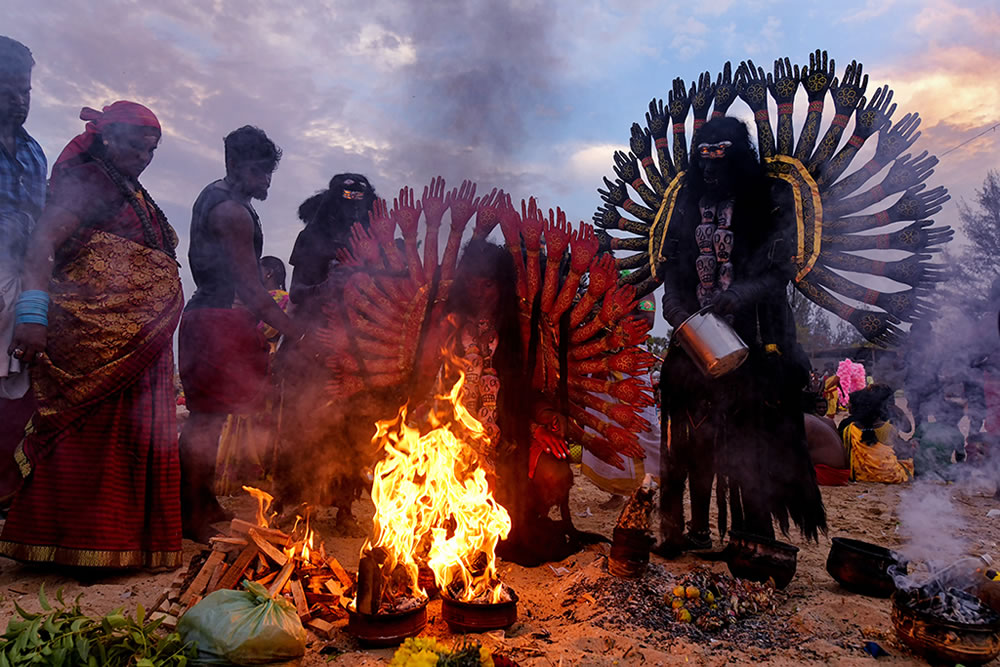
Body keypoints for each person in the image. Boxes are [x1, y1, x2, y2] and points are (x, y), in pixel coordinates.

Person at [0, 101, 183, 569]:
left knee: (131, 438)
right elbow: (43, 243)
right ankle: (70, 547)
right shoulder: (87, 181)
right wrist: (33, 313)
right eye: (139, 146)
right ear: (107, 137)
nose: (146, 157)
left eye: (154, 149)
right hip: (90, 337)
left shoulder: (128, 187)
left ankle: (119, 545)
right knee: (90, 438)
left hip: (136, 342)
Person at [657, 117, 825, 553]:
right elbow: (673, 268)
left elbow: (781, 272)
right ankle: (680, 532)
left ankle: (752, 535)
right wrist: (676, 309)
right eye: (703, 157)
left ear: (738, 156)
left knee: (752, 440)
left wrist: (739, 296)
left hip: (755, 342)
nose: (711, 169)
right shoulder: (685, 201)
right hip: (693, 339)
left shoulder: (768, 198)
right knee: (685, 437)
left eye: (720, 156)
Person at [416, 239, 590, 566]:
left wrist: (545, 419)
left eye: (488, 284)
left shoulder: (521, 328)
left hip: (510, 438)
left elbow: (532, 394)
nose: (479, 293)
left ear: (502, 286)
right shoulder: (445, 322)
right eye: (472, 283)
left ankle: (519, 519)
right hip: (450, 438)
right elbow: (424, 383)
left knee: (557, 473)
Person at [178, 126, 301, 543]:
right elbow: (250, 288)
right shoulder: (230, 211)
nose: (266, 180)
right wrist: (293, 330)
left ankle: (203, 500)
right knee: (206, 422)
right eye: (259, 171)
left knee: (211, 418)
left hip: (213, 319)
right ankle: (191, 512)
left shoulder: (222, 198)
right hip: (215, 320)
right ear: (235, 164)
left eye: (269, 172)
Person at [273, 174, 378, 534]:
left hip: (357, 350)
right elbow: (298, 292)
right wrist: (325, 287)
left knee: (352, 429)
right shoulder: (312, 239)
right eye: (346, 198)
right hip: (312, 345)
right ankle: (291, 501)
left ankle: (344, 510)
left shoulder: (376, 245)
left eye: (360, 200)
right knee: (301, 425)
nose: (353, 206)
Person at [0, 36, 46, 508]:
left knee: (15, 392)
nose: (19, 100)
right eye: (8, 90)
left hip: (19, 277)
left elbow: (42, 226)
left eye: (26, 91)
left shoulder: (33, 153)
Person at [214, 256, 289, 496]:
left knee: (258, 419)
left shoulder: (281, 298)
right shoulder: (258, 300)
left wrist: (244, 322)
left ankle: (253, 477)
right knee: (242, 417)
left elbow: (269, 329)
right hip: (249, 360)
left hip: (266, 360)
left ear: (270, 273)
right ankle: (240, 475)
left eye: (260, 269)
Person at [838, 384, 914, 483]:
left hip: (858, 475)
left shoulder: (850, 428)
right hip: (888, 475)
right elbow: (901, 449)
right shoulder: (888, 428)